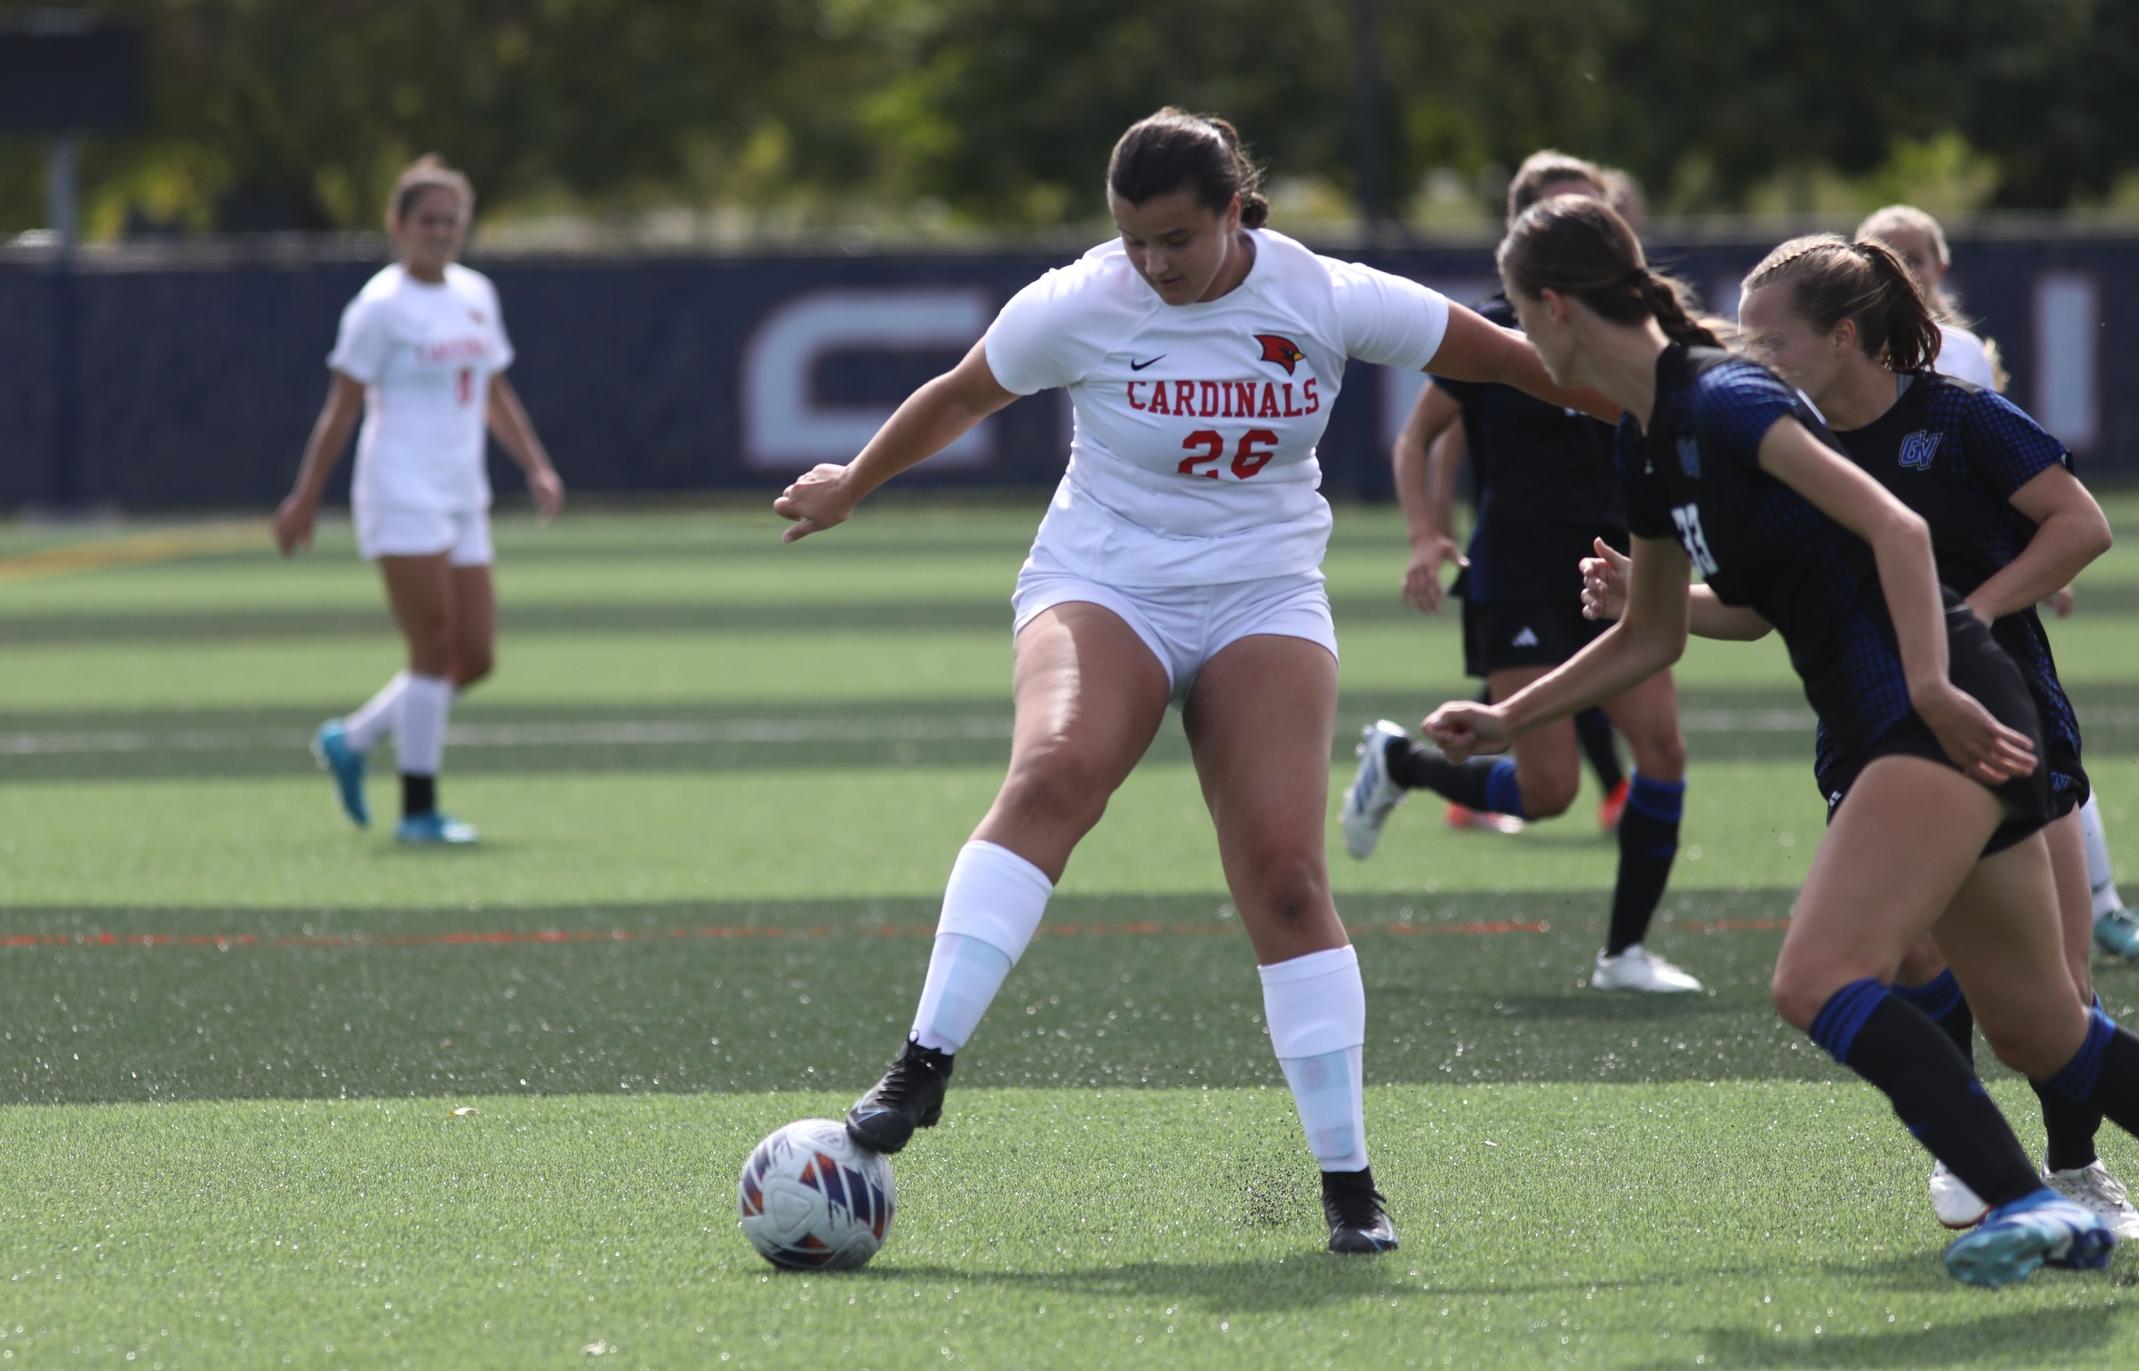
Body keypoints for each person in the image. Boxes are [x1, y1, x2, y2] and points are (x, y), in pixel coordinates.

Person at [772, 108, 1612, 1256]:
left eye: (1176, 238)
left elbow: (1520, 363)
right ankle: (922, 1064)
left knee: (1283, 878)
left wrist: (1677, 403)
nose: (1153, 264)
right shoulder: (1083, 301)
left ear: (1234, 211)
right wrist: (853, 482)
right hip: (1103, 576)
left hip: (1262, 591)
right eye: (1133, 239)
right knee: (1056, 770)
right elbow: (963, 392)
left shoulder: (1322, 294)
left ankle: (1349, 1183)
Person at [1428, 192, 2139, 1288]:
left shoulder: (1724, 397)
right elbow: (1653, 633)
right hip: (1906, 708)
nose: (1520, 341)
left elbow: (1898, 528)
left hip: (1928, 704)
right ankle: (2041, 1200)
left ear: (1555, 310)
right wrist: (1510, 717)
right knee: (2045, 1031)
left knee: (1815, 978)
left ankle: (2039, 1205)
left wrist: (1936, 685)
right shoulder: (1648, 439)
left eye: (1520, 318)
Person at [1342, 150, 1698, 994]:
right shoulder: (1499, 331)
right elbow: (1418, 436)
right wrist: (1428, 533)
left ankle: (1623, 953)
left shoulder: (1626, 336)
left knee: (1663, 748)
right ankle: (1404, 764)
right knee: (1546, 793)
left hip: (1618, 556)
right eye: (1557, 211)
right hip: (1522, 565)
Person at [1859, 204, 2139, 960]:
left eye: (1916, 255)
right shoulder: (1809, 420)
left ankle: (2100, 901)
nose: (1904, 269)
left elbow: (2029, 497)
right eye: (1889, 255)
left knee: (2032, 762)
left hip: (1980, 647)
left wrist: (1998, 592)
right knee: (1910, 951)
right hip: (1874, 686)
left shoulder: (1957, 369)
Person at [272, 155, 564, 845]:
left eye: (450, 220)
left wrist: (536, 465)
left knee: (476, 655)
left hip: (462, 493)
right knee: (431, 647)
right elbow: (341, 409)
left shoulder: (475, 293)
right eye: (427, 220)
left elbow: (493, 391)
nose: (439, 232)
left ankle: (356, 736)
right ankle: (418, 810)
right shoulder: (379, 307)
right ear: (398, 225)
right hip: (400, 491)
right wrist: (305, 496)